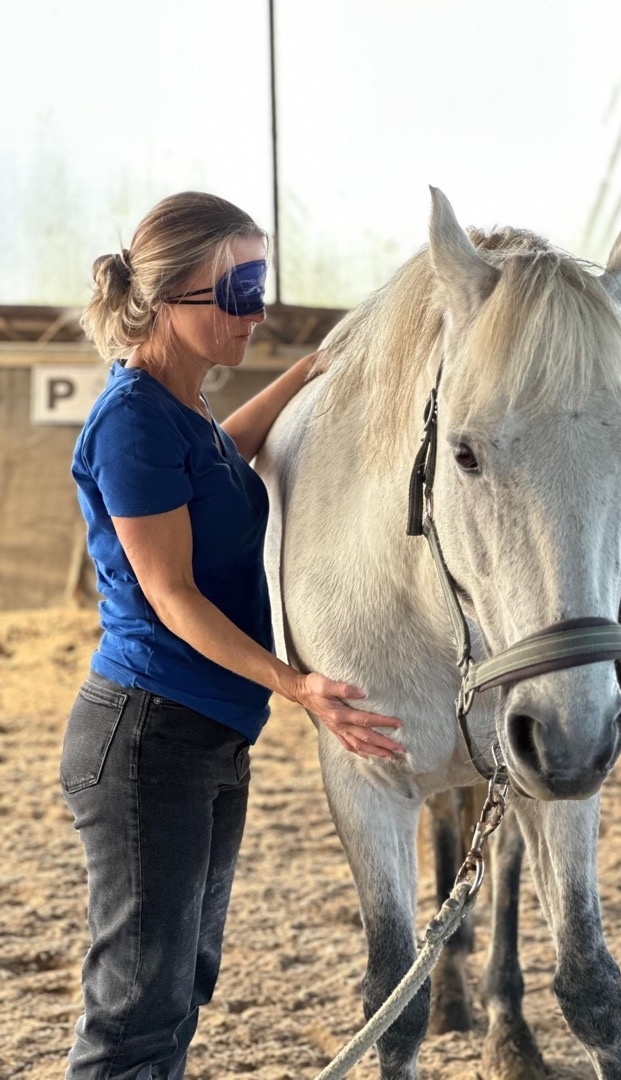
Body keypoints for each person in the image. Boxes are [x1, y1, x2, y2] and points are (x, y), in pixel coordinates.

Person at [61, 191, 404, 1080]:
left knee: (179, 987)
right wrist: (298, 684)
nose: (257, 313)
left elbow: (226, 455)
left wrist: (308, 374)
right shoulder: (133, 419)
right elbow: (172, 596)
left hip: (205, 733)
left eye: (261, 286)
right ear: (168, 297)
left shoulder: (182, 410)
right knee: (136, 1006)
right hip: (148, 736)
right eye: (237, 292)